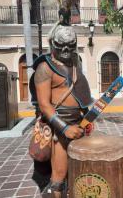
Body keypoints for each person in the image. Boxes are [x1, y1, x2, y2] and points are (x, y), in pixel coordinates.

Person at [33, 23, 93, 197]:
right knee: (59, 177)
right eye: (61, 45)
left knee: (80, 172)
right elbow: (44, 105)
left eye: (70, 45)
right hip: (58, 129)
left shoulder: (75, 64)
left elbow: (80, 94)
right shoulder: (44, 68)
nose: (66, 49)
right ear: (53, 43)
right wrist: (64, 128)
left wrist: (86, 119)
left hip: (79, 125)